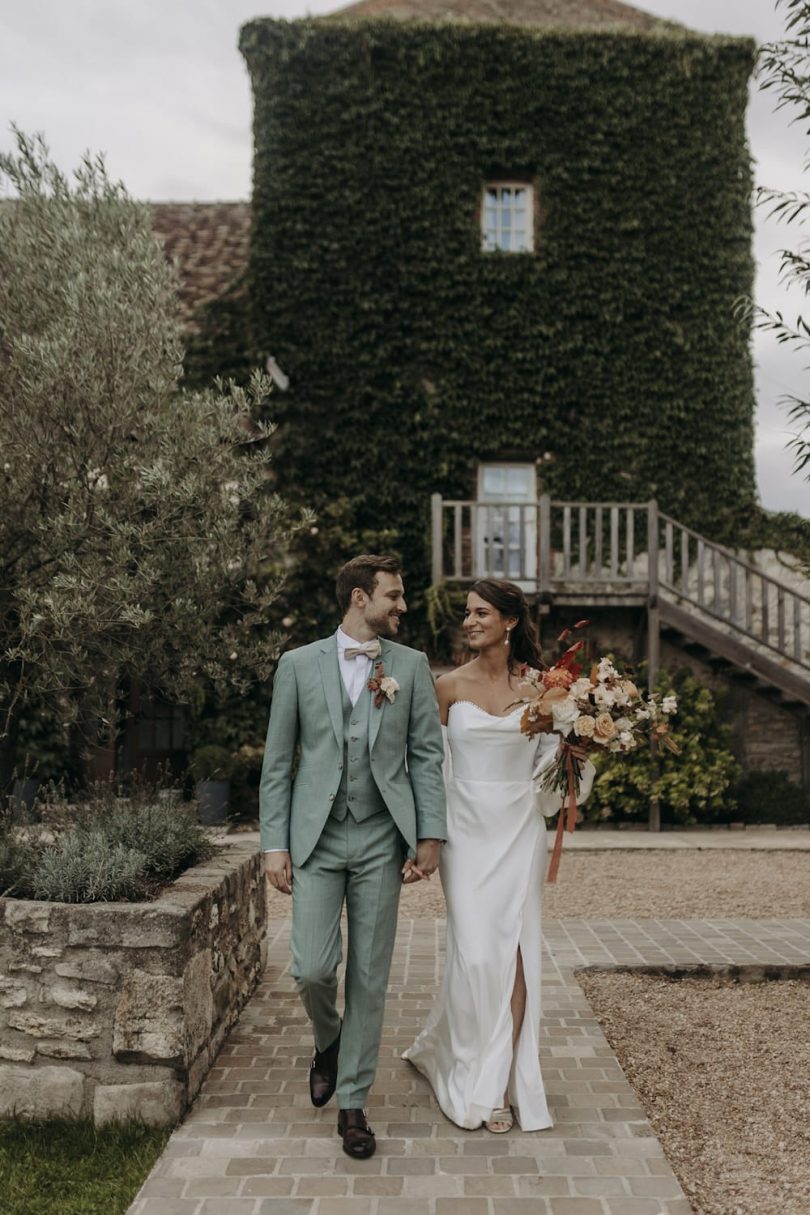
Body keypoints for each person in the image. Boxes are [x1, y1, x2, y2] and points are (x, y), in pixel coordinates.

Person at [260, 554, 446, 1159]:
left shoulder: (412, 668)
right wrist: (274, 844)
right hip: (314, 837)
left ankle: (353, 1104)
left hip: (379, 838)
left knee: (369, 974)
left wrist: (430, 836)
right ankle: (329, 1040)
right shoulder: (296, 664)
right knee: (311, 968)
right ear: (360, 597)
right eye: (394, 596)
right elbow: (278, 763)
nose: (403, 606)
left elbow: (425, 756)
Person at [403, 578, 593, 1134]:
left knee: (513, 955)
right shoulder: (446, 687)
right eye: (467, 613)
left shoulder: (543, 689)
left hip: (518, 831)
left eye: (481, 613)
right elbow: (429, 771)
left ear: (509, 621)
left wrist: (575, 749)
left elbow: (552, 777)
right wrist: (427, 837)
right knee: (474, 955)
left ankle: (499, 1081)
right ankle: (463, 1062)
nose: (470, 621)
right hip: (464, 834)